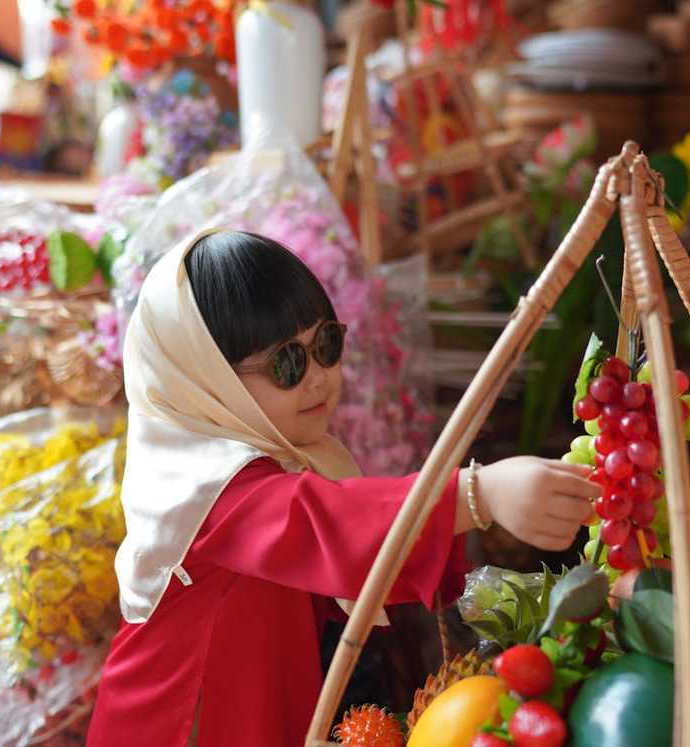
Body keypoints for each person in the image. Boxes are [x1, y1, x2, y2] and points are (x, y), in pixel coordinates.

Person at [87, 230, 600, 746]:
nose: (318, 378)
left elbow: (335, 554)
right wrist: (477, 494)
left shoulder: (271, 458)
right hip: (180, 726)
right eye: (286, 363)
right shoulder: (207, 489)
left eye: (325, 345)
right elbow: (325, 524)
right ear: (202, 381)